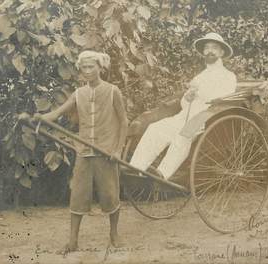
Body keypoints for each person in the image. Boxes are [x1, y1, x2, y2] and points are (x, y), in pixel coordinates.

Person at [35, 51, 128, 252]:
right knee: (77, 195)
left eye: (90, 67)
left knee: (110, 195)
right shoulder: (78, 94)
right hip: (84, 151)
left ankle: (114, 234)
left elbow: (124, 122)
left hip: (106, 151)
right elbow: (57, 113)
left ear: (100, 68)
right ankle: (73, 241)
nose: (87, 71)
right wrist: (38, 118)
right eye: (83, 68)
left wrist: (118, 150)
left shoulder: (113, 91)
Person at [130, 33, 237, 180]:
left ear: (221, 52)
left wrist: (200, 93)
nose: (210, 51)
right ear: (203, 52)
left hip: (208, 117)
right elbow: (185, 104)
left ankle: (162, 174)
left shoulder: (228, 76)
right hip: (186, 115)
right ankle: (136, 170)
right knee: (156, 128)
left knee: (182, 136)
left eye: (214, 48)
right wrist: (188, 97)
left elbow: (224, 99)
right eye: (207, 48)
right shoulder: (200, 76)